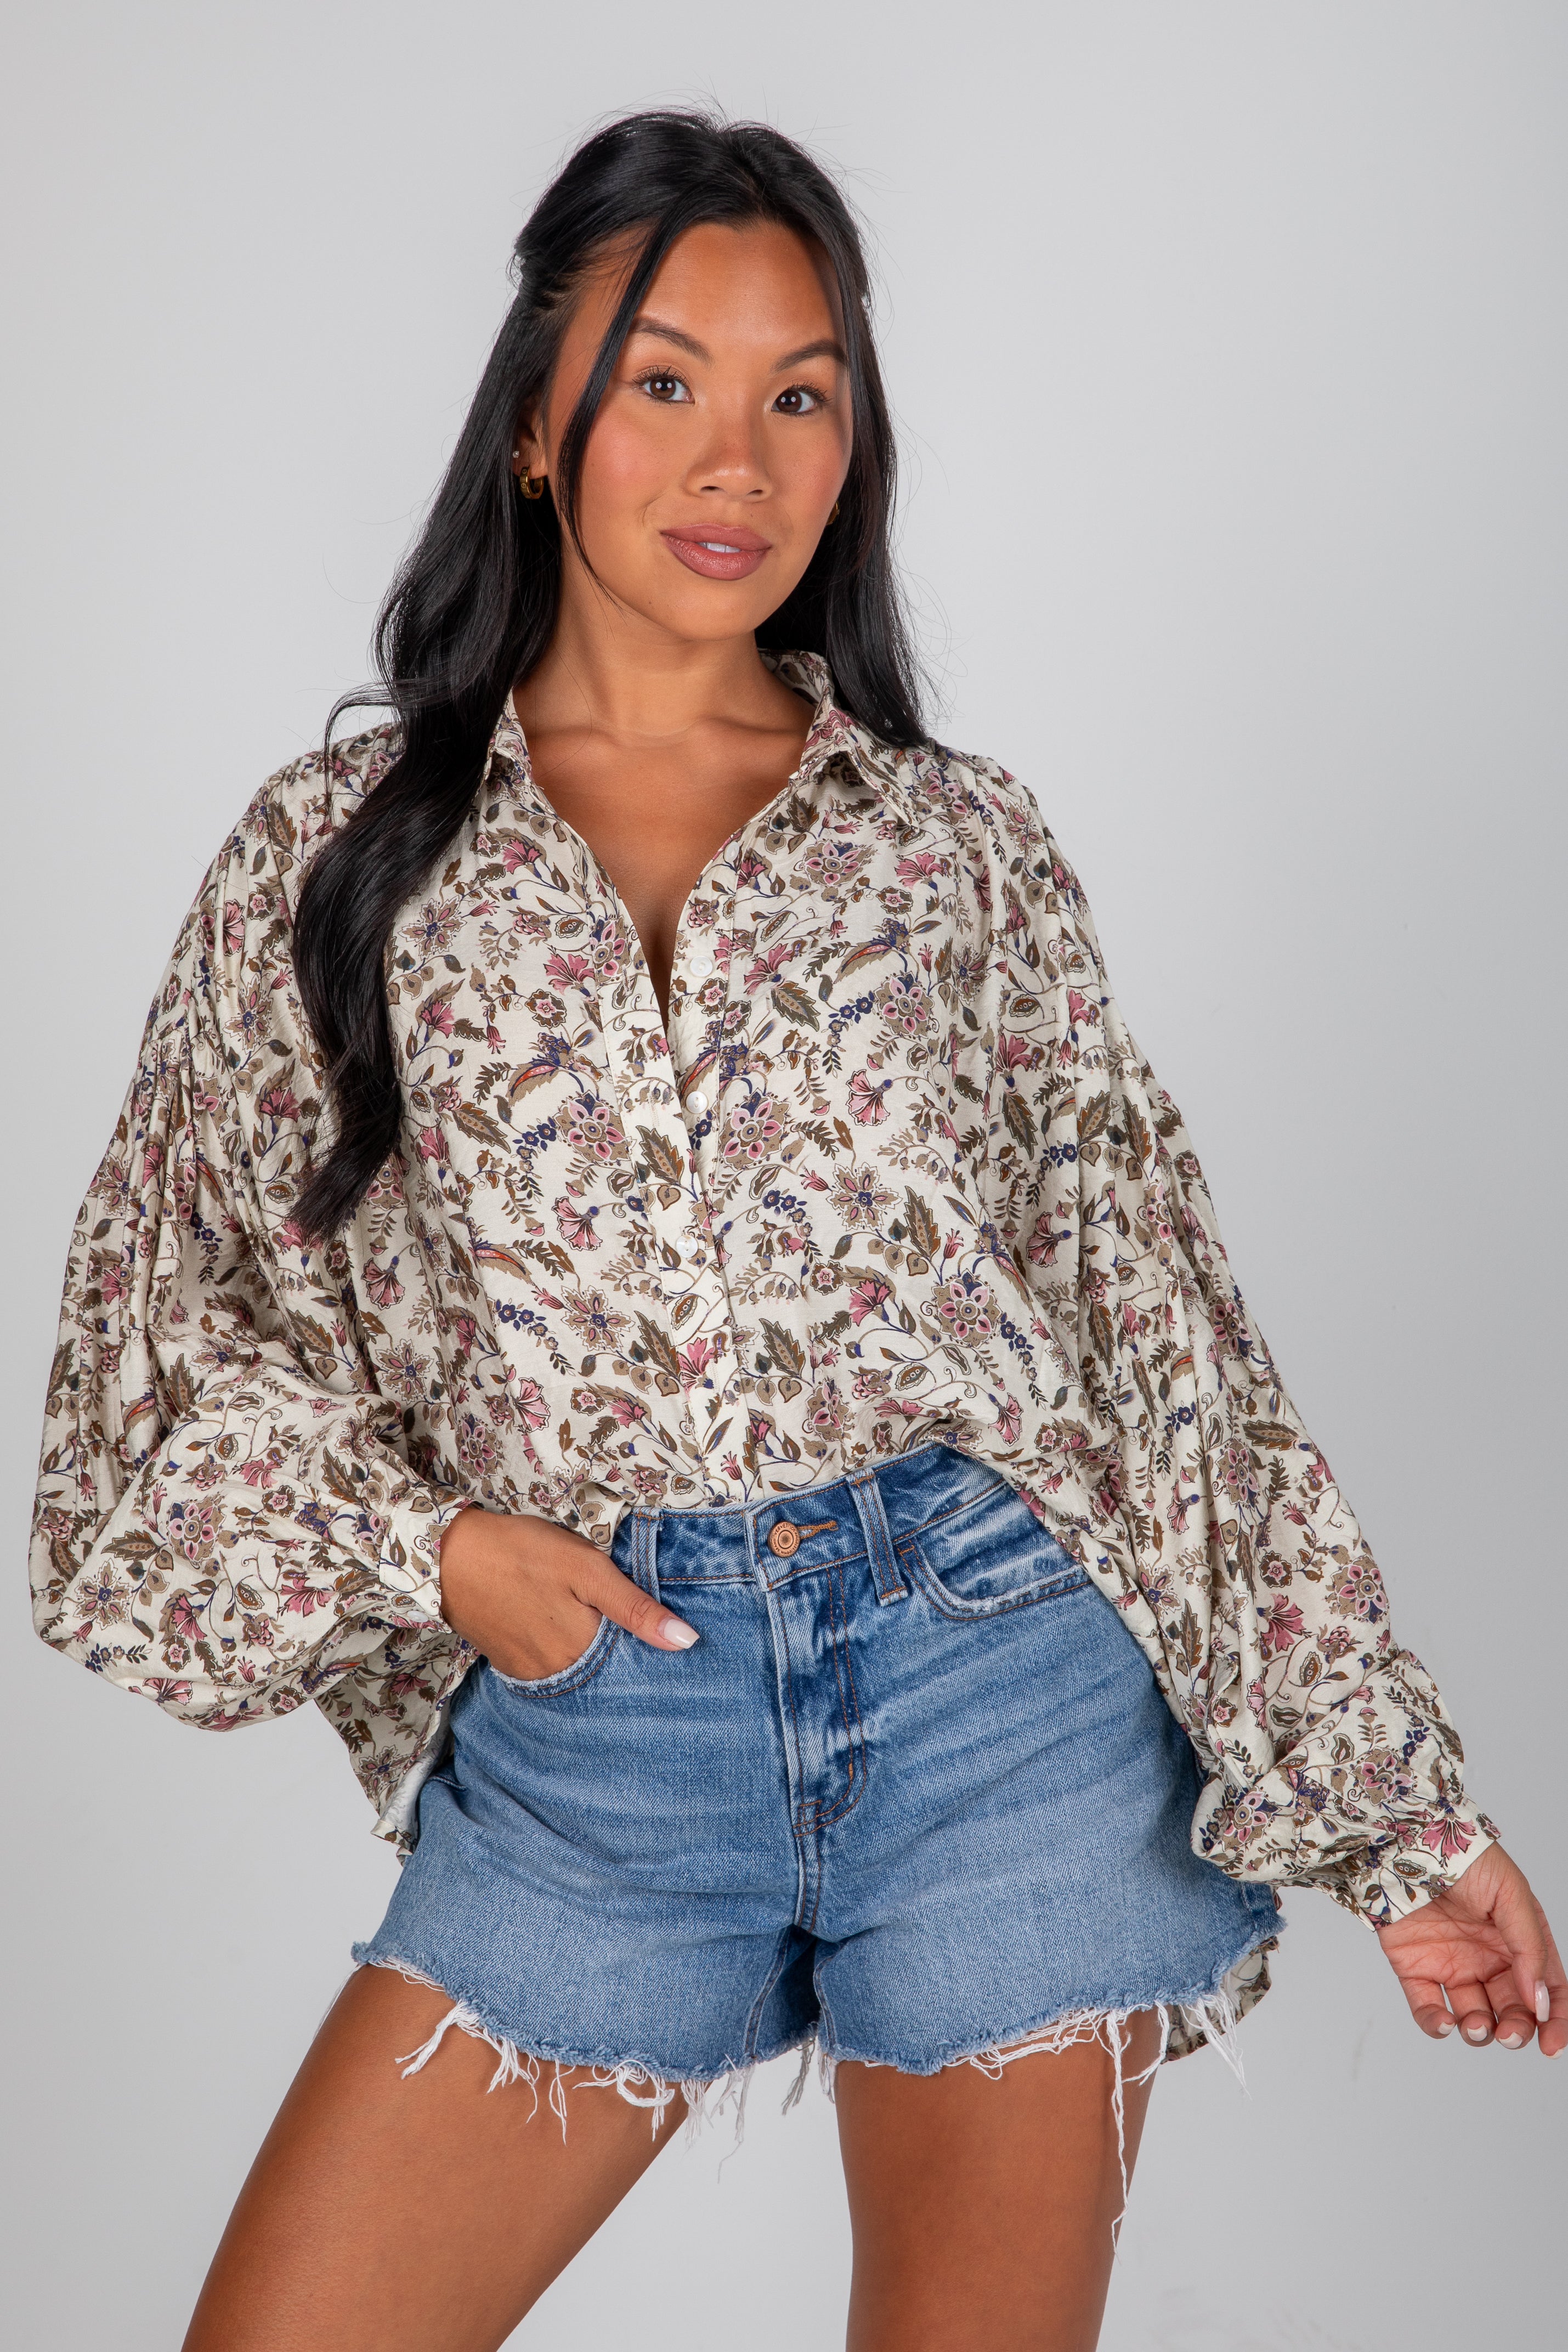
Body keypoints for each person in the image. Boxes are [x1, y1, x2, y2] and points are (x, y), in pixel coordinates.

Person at [28, 108, 1563, 2352]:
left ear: (855, 443)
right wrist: (432, 1553)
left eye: (801, 390)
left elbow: (1166, 1351)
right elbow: (144, 1388)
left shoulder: (954, 850)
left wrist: (1403, 1827)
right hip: (603, 1726)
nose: (735, 451)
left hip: (999, 1685)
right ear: (539, 422)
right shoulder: (332, 858)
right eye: (665, 379)